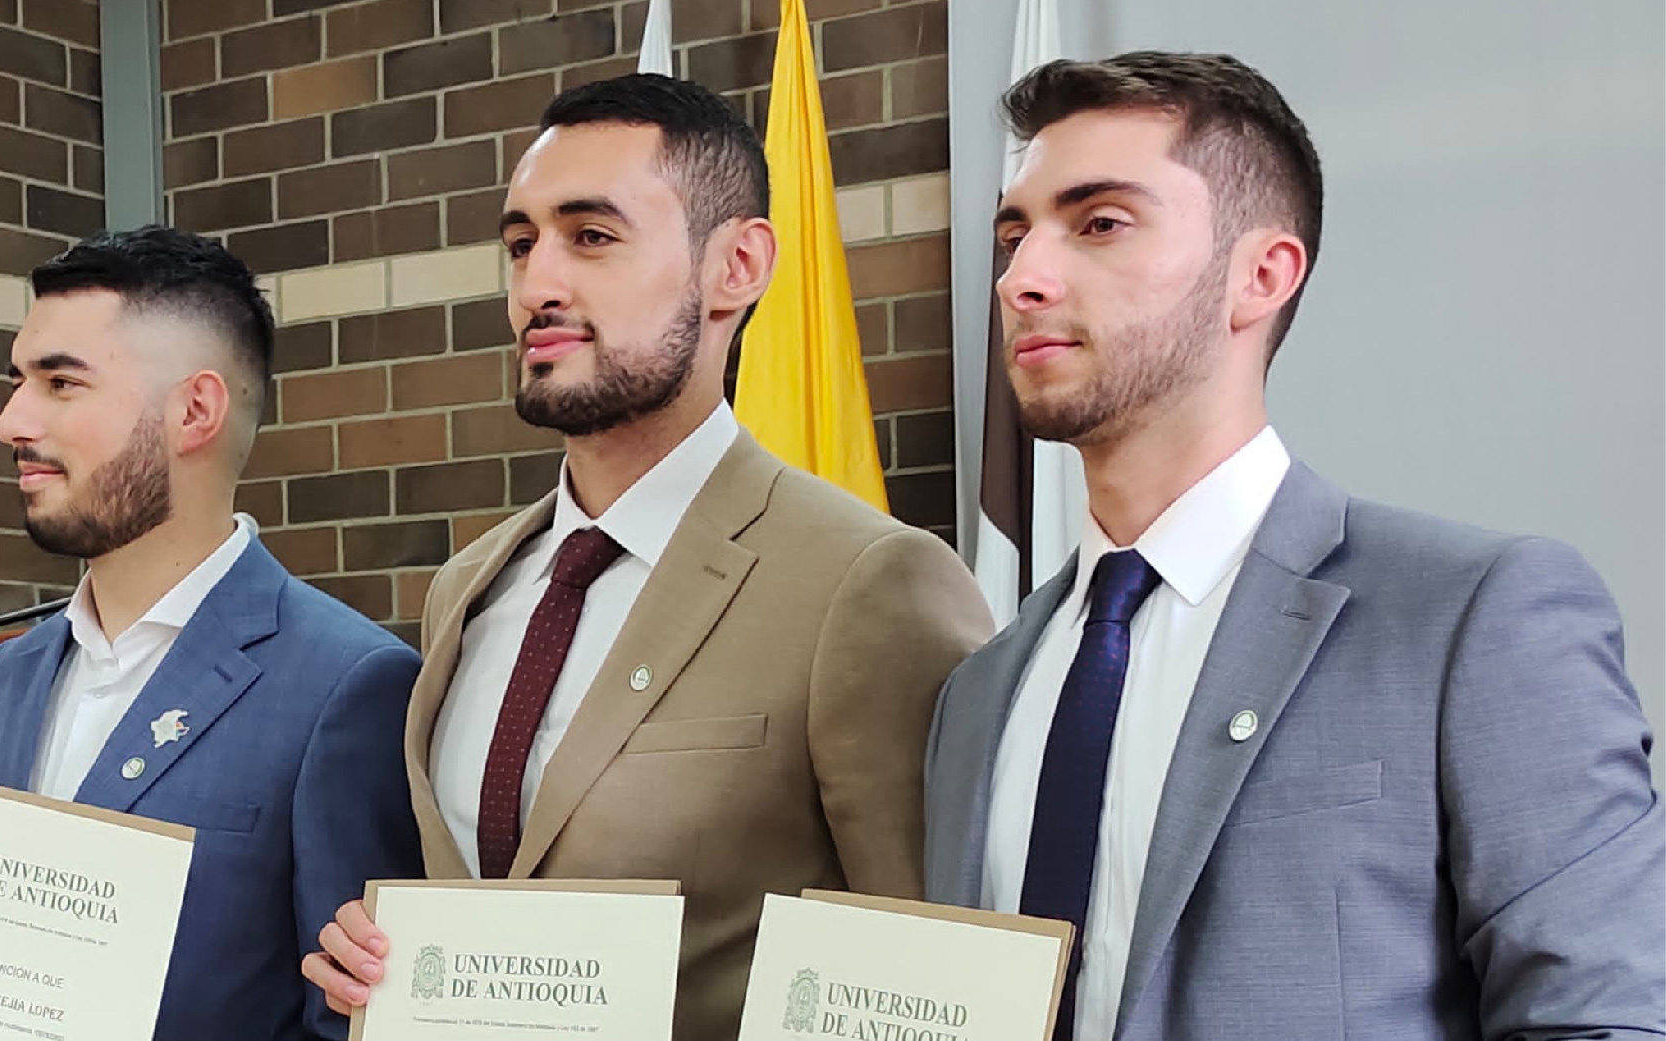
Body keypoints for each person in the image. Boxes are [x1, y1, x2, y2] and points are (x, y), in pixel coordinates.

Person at [922, 51, 1664, 1041]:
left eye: (1098, 223)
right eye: (1014, 234)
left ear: (1261, 275)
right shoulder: (981, 691)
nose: (1022, 278)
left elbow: (1600, 1020)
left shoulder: (1474, 617)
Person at [299, 74, 995, 1040]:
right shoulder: (469, 588)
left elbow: (939, 986)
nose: (538, 283)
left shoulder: (868, 582)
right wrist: (382, 967)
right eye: (520, 243)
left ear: (737, 265)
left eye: (591, 237)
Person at [0, 227, 423, 1041]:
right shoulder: (11, 674)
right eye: (17, 380)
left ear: (194, 410)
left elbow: (353, 1020)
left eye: (61, 382)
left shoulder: (349, 682)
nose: (11, 421)